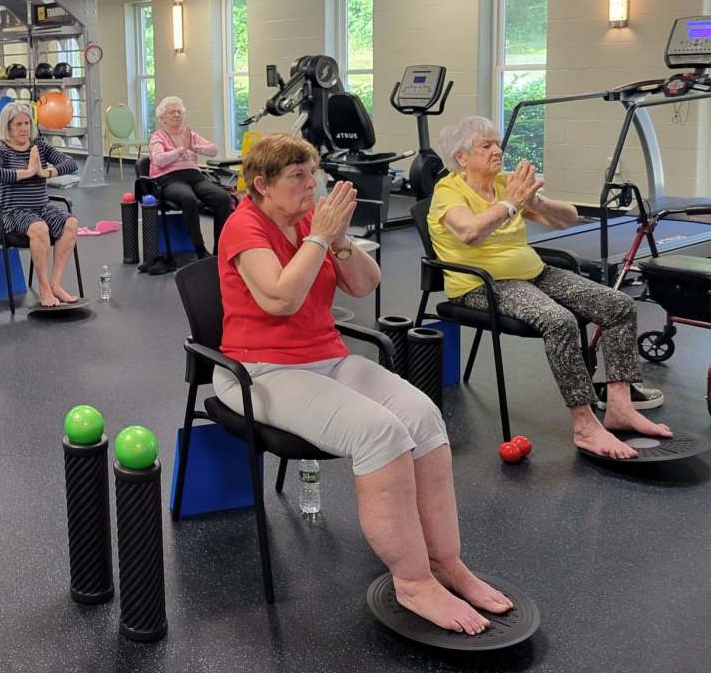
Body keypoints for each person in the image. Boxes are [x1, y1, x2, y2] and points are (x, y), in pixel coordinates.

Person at [214, 132, 509, 635]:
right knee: (379, 431)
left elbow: (364, 283)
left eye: (313, 173)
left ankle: (445, 561)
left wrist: (340, 239)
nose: (312, 185)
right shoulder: (245, 227)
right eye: (298, 177)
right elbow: (280, 300)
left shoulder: (313, 221)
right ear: (261, 185)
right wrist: (317, 239)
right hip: (258, 371)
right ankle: (412, 581)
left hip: (325, 356)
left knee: (422, 416)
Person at [429, 116, 670, 460]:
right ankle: (585, 426)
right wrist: (512, 203)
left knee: (618, 305)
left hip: (535, 271)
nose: (498, 150)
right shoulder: (447, 192)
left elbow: (569, 217)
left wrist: (534, 202)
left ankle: (620, 406)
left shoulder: (505, 184)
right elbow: (469, 232)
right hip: (482, 284)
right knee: (558, 321)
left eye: (498, 143)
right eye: (486, 145)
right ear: (462, 157)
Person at [0, 102, 81, 307]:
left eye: (27, 123)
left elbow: (71, 163)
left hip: (40, 208)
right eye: (18, 124)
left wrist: (46, 172)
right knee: (39, 227)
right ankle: (44, 288)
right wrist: (27, 172)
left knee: (70, 223)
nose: (24, 128)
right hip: (9, 213)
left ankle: (55, 284)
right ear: (7, 127)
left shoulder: (39, 146)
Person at [148, 95, 234, 257]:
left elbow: (213, 149)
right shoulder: (157, 137)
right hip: (168, 178)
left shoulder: (190, 134)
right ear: (162, 118)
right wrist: (181, 149)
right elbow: (159, 160)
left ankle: (219, 250)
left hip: (194, 177)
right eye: (172, 112)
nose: (177, 115)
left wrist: (193, 147)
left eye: (179, 112)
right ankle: (199, 248)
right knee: (188, 199)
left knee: (223, 198)